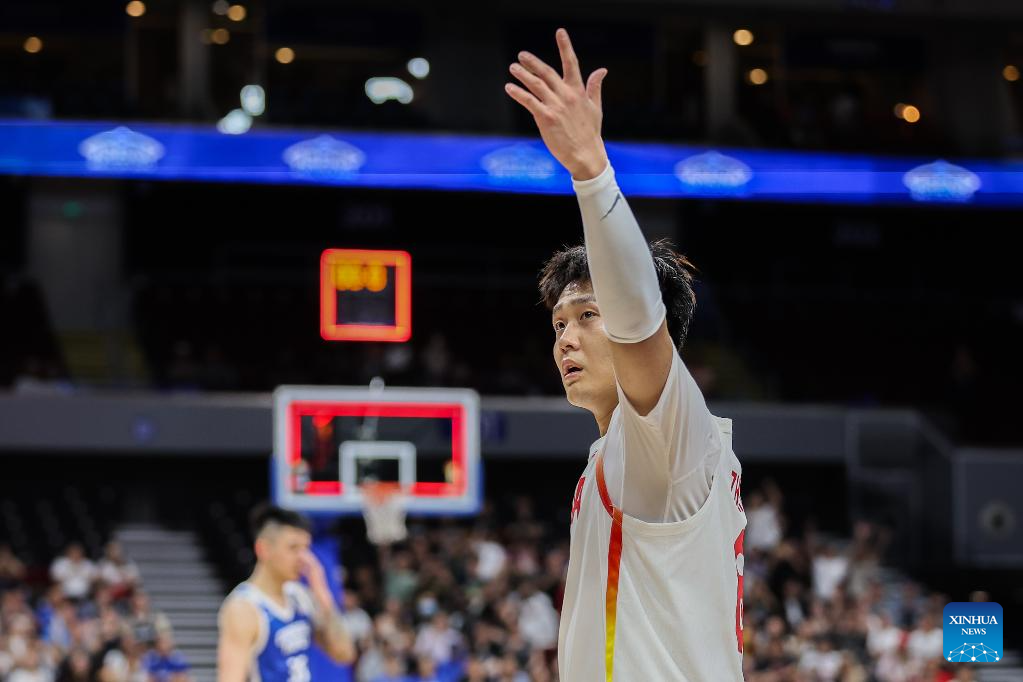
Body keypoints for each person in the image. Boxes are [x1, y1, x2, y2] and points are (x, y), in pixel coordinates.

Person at [505, 28, 747, 680]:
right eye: (559, 323)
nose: (566, 337)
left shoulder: (670, 433)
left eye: (588, 316)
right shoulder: (619, 452)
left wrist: (591, 172)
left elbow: (639, 323)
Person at [216, 505, 355, 682]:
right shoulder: (243, 608)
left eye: (306, 548)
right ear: (263, 549)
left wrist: (323, 595)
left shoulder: (299, 596)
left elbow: (344, 653)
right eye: (293, 548)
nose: (303, 558)